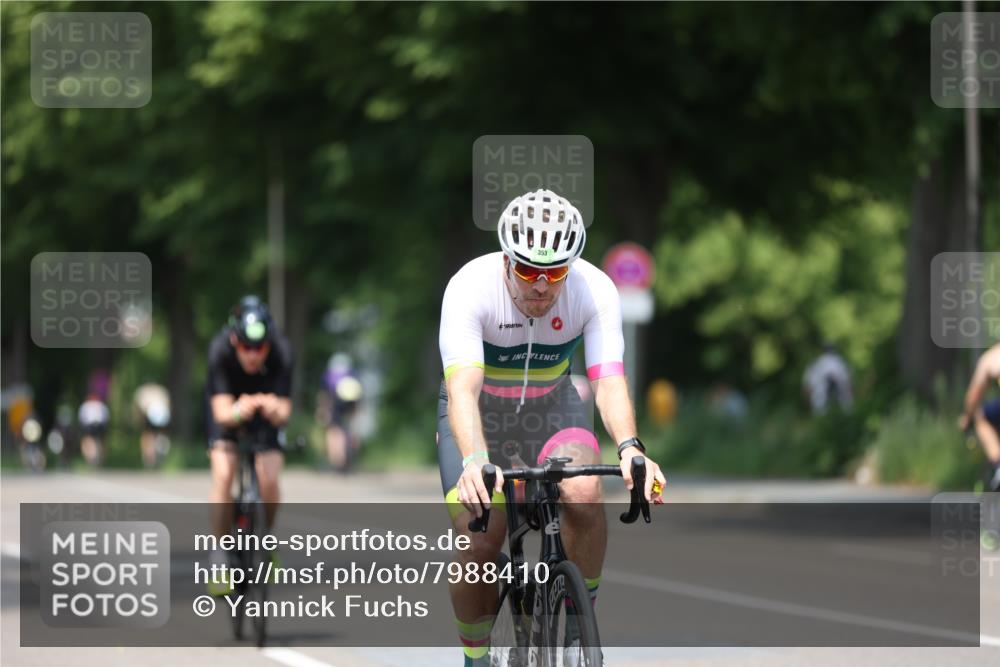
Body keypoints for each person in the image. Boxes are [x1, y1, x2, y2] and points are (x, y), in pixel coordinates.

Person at [437, 189, 666, 666]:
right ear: (506, 260)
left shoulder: (594, 288)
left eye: (556, 272)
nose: (541, 285)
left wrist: (630, 448)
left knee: (583, 494)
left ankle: (578, 626)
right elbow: (463, 391)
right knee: (482, 539)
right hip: (483, 413)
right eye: (527, 271)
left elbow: (608, 381)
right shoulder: (469, 287)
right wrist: (476, 460)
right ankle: (475, 658)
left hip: (553, 406)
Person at [204, 295, 293, 595]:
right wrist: (240, 409)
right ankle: (218, 555)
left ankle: (266, 539)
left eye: (260, 347)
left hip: (264, 416)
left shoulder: (282, 352)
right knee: (224, 474)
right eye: (246, 347)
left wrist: (271, 406)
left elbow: (285, 412)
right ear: (234, 340)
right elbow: (220, 412)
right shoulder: (219, 352)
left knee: (268, 477)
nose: (253, 355)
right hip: (230, 410)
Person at [959, 342, 1000, 492]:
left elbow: (973, 397)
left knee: (981, 417)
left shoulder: (992, 357)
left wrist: (967, 417)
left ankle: (998, 465)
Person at [317, 353, 364, 471]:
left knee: (333, 432)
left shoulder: (329, 376)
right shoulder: (353, 374)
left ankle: (337, 462)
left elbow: (325, 395)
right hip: (350, 404)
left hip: (336, 405)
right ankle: (346, 459)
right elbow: (358, 396)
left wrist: (322, 410)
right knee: (350, 432)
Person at [802, 343, 854, 415]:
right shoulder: (840, 362)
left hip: (821, 400)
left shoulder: (815, 363)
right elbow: (848, 383)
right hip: (840, 401)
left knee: (821, 415)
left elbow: (808, 386)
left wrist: (808, 402)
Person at [133, 383, 171, 468]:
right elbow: (168, 404)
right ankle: (161, 447)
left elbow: (140, 409)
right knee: (161, 433)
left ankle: (149, 456)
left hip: (151, 413)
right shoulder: (161, 391)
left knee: (148, 435)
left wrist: (139, 420)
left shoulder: (143, 392)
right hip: (163, 414)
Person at [78, 392, 110, 467]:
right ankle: (101, 457)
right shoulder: (101, 405)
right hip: (100, 426)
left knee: (86, 440)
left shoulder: (86, 405)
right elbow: (106, 418)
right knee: (102, 440)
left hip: (90, 426)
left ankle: (90, 457)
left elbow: (82, 418)